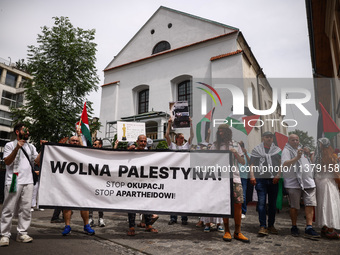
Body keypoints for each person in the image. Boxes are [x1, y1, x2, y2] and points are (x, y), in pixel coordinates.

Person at [0, 123, 40, 246]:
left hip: (28, 181)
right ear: (17, 132)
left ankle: (22, 233)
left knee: (26, 209)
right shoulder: (9, 145)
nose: (27, 133)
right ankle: (4, 235)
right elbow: (7, 162)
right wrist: (16, 148)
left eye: (28, 131)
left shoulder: (31, 146)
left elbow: (36, 161)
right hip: (13, 180)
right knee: (8, 209)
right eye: (25, 130)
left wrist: (43, 149)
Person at [210, 124, 249, 243]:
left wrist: (235, 153)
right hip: (221, 180)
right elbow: (209, 161)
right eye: (219, 132)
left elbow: (243, 162)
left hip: (235, 178)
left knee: (238, 204)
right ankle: (227, 231)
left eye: (222, 131)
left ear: (228, 132)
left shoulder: (236, 144)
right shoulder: (215, 145)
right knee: (224, 205)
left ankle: (238, 232)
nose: (220, 133)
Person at [281, 134, 320, 240]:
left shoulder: (301, 150)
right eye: (293, 140)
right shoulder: (286, 151)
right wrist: (296, 158)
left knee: (310, 204)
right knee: (294, 206)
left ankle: (309, 227)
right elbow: (285, 164)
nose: (295, 141)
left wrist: (307, 154)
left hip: (308, 182)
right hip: (294, 183)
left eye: (297, 140)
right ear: (288, 141)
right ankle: (294, 226)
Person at [61, 135, 95, 236]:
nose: (75, 142)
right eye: (73, 141)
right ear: (69, 142)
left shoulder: (82, 151)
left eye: (76, 141)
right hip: (68, 181)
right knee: (67, 205)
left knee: (84, 205)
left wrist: (79, 136)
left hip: (81, 182)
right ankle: (67, 226)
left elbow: (85, 149)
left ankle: (86, 225)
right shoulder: (64, 151)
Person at [249, 132, 281, 236]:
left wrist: (278, 175)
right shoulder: (256, 150)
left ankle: (271, 225)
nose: (269, 139)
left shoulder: (277, 150)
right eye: (267, 137)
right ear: (263, 138)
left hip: (273, 179)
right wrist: (252, 176)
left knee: (272, 204)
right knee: (261, 204)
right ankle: (262, 226)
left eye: (270, 137)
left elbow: (282, 163)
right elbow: (252, 163)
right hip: (261, 179)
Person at [127, 134, 158, 236]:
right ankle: (131, 227)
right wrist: (128, 151)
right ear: (137, 141)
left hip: (145, 182)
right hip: (133, 182)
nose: (143, 143)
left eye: (144, 141)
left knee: (147, 204)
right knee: (132, 206)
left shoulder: (149, 153)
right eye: (141, 141)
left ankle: (148, 225)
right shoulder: (131, 152)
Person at [165, 117, 194, 225]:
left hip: (184, 174)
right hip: (174, 174)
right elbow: (167, 136)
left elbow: (192, 136)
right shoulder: (172, 146)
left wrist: (191, 123)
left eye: (183, 138)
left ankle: (184, 218)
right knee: (173, 197)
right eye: (181, 138)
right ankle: (173, 218)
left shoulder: (186, 146)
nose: (183, 139)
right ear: (177, 139)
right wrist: (169, 124)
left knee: (184, 196)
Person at [313, 138, 340, 239]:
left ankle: (324, 227)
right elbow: (336, 173)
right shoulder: (331, 157)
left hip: (320, 182)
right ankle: (330, 230)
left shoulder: (316, 157)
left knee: (323, 204)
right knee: (330, 205)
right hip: (328, 182)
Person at [89, 139, 105, 227]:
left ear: (100, 145)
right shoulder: (91, 153)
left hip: (101, 181)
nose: (93, 146)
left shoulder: (104, 154)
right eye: (93, 144)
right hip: (92, 180)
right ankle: (90, 218)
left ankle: (101, 218)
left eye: (95, 144)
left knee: (100, 200)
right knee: (91, 199)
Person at [238, 141, 251, 219]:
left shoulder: (247, 154)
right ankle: (235, 211)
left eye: (241, 146)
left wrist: (246, 154)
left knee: (243, 195)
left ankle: (243, 211)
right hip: (235, 176)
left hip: (243, 176)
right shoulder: (235, 153)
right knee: (235, 195)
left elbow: (251, 162)